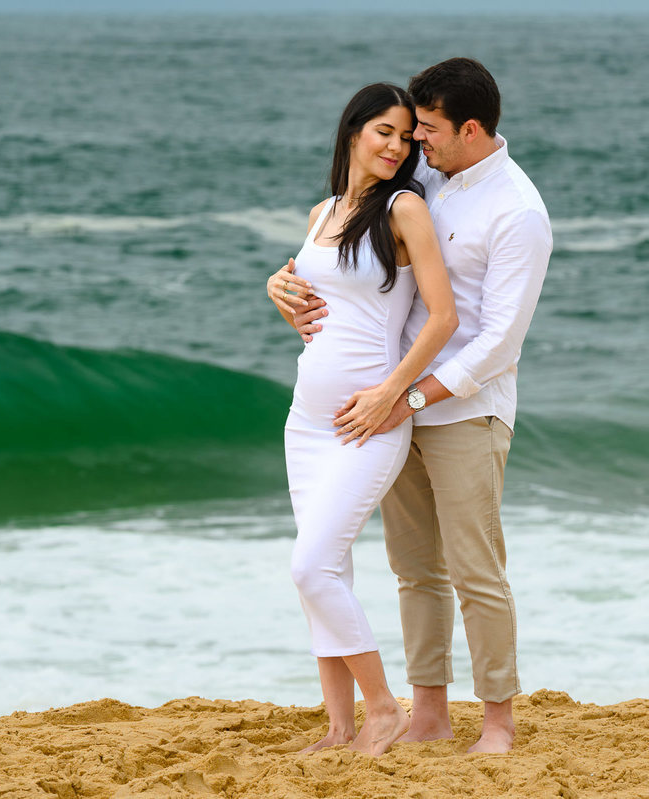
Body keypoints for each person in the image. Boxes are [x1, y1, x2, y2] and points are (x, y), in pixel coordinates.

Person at [274, 58, 552, 754]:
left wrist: (411, 393)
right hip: (388, 406)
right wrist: (281, 285)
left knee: (475, 569)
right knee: (414, 568)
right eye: (406, 132)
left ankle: (498, 723)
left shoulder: (517, 210)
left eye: (426, 132)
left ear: (472, 128)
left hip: (461, 406)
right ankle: (427, 711)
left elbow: (498, 338)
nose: (413, 145)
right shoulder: (423, 177)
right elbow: (347, 261)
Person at [267, 83, 457, 757]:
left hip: (368, 424)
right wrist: (277, 287)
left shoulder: (404, 208)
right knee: (329, 572)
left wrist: (390, 394)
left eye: (406, 137)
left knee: (310, 566)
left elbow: (443, 317)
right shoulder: (323, 212)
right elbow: (314, 301)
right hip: (307, 421)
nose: (396, 146)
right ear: (352, 130)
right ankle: (340, 725)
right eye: (384, 131)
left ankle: (383, 708)